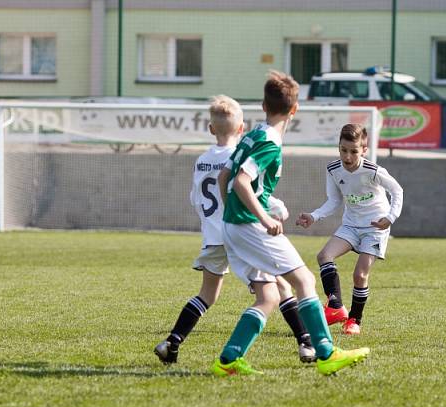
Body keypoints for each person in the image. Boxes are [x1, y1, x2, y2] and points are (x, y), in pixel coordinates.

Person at [212, 71, 370, 377]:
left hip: (233, 225)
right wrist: (263, 217)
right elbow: (242, 183)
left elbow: (224, 178)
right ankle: (326, 352)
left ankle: (229, 359)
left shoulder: (251, 136)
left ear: (263, 105)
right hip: (249, 226)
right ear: (294, 110)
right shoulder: (269, 142)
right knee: (305, 282)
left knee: (269, 297)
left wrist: (236, 212)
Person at [154, 94, 316, 366]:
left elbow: (195, 198)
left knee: (207, 295)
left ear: (210, 128)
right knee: (280, 287)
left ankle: (172, 342)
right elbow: (248, 189)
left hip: (213, 236)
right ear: (242, 129)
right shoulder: (238, 155)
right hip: (241, 230)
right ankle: (306, 343)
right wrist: (276, 210)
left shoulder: (203, 160)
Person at [296, 124, 403, 335]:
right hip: (351, 225)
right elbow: (334, 201)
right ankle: (335, 306)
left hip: (374, 227)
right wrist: (314, 216)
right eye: (343, 150)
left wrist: (390, 218)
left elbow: (397, 190)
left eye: (353, 151)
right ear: (339, 147)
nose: (348, 156)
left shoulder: (373, 171)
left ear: (363, 150)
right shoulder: (333, 169)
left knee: (360, 275)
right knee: (324, 256)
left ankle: (354, 320)